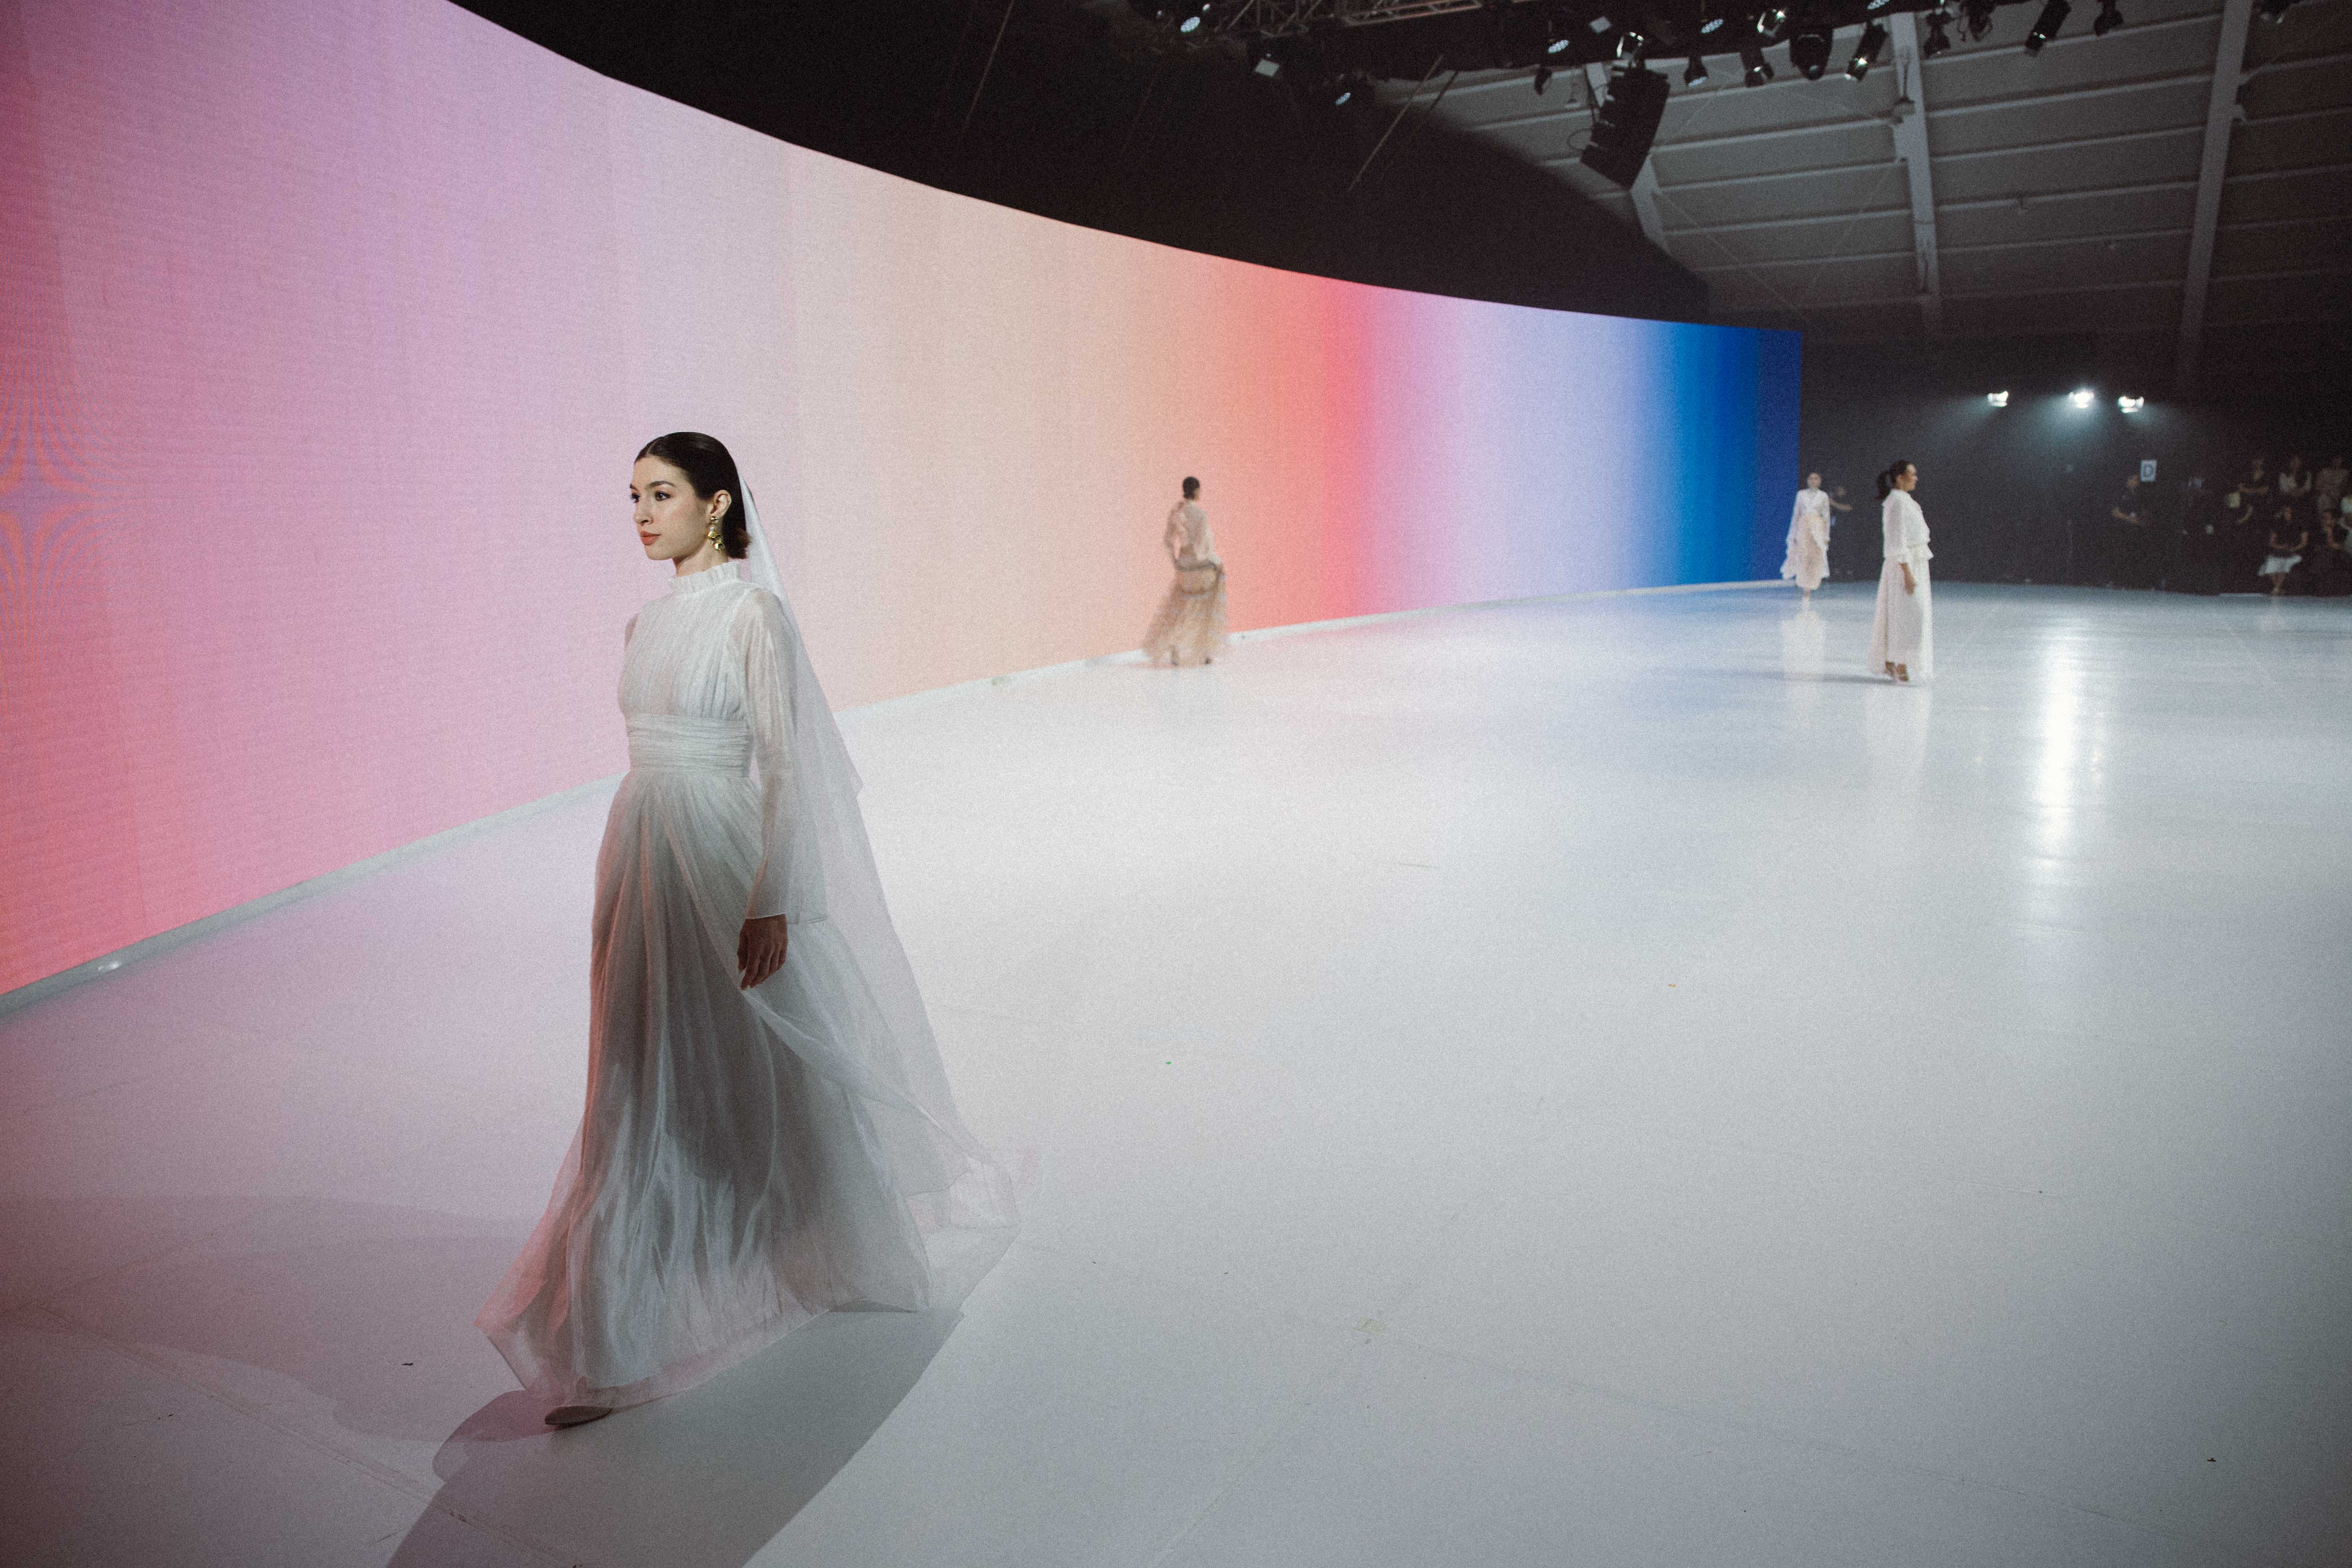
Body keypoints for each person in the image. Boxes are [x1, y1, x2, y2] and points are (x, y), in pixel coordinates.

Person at [479, 432, 1016, 1428]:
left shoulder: (754, 614)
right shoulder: (644, 625)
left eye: (662, 493)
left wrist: (774, 895)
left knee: (749, 1059)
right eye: (634, 496)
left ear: (717, 504)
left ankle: (793, 1244)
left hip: (723, 859)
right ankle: (618, 1334)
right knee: (640, 1076)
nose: (642, 514)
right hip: (642, 853)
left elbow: (787, 763)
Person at [1142, 476, 1229, 667]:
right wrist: (1218, 563)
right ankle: (1206, 651)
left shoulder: (1176, 513)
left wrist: (1177, 562)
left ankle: (1175, 647)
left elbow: (1168, 542)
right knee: (1211, 598)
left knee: (1181, 606)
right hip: (1200, 570)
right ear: (1197, 491)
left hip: (1184, 570)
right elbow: (1205, 549)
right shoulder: (1200, 515)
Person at [1868, 459, 1933, 683]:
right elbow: (1896, 539)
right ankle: (1899, 664)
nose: (1916, 478)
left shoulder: (1905, 500)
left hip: (1915, 561)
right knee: (1908, 614)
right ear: (1900, 478)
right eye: (1912, 474)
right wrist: (1906, 571)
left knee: (1911, 614)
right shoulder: (1896, 501)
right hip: (1904, 564)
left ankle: (1896, 662)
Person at [1782, 472, 1833, 600]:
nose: (1813, 481)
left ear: (1820, 481)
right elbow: (1796, 514)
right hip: (1803, 527)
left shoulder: (1823, 496)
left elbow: (1827, 517)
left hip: (1818, 527)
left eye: (1816, 479)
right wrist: (1793, 533)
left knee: (1815, 556)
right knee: (1803, 554)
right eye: (1811, 478)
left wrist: (1826, 537)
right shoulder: (1801, 494)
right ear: (1807, 480)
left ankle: (1811, 584)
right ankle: (1805, 586)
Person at [2108, 471, 2150, 589]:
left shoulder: (2138, 495)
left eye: (2138, 480)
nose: (2137, 483)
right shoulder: (2120, 492)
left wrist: (2141, 520)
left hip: (2134, 530)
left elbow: (2141, 512)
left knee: (2132, 555)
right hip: (2121, 528)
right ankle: (2115, 581)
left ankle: (2130, 582)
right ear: (2129, 480)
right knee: (2120, 554)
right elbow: (2115, 512)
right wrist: (2129, 519)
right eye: (2135, 480)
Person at [2260, 505, 2307, 597]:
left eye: (2289, 512)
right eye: (2286, 512)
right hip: (2279, 552)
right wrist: (2281, 547)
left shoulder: (2301, 525)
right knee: (2270, 565)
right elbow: (2272, 543)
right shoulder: (2278, 525)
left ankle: (2276, 589)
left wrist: (2293, 549)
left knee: (2285, 564)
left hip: (2295, 552)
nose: (2287, 514)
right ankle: (2279, 589)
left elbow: (2304, 543)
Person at [2314, 453, 2348, 521]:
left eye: (2339, 459)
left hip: (2339, 497)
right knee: (2322, 499)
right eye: (2335, 459)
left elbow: (2345, 488)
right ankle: (2324, 521)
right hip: (2326, 495)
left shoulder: (2345, 473)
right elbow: (2318, 487)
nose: (2337, 461)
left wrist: (2339, 497)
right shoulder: (2324, 472)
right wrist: (2327, 493)